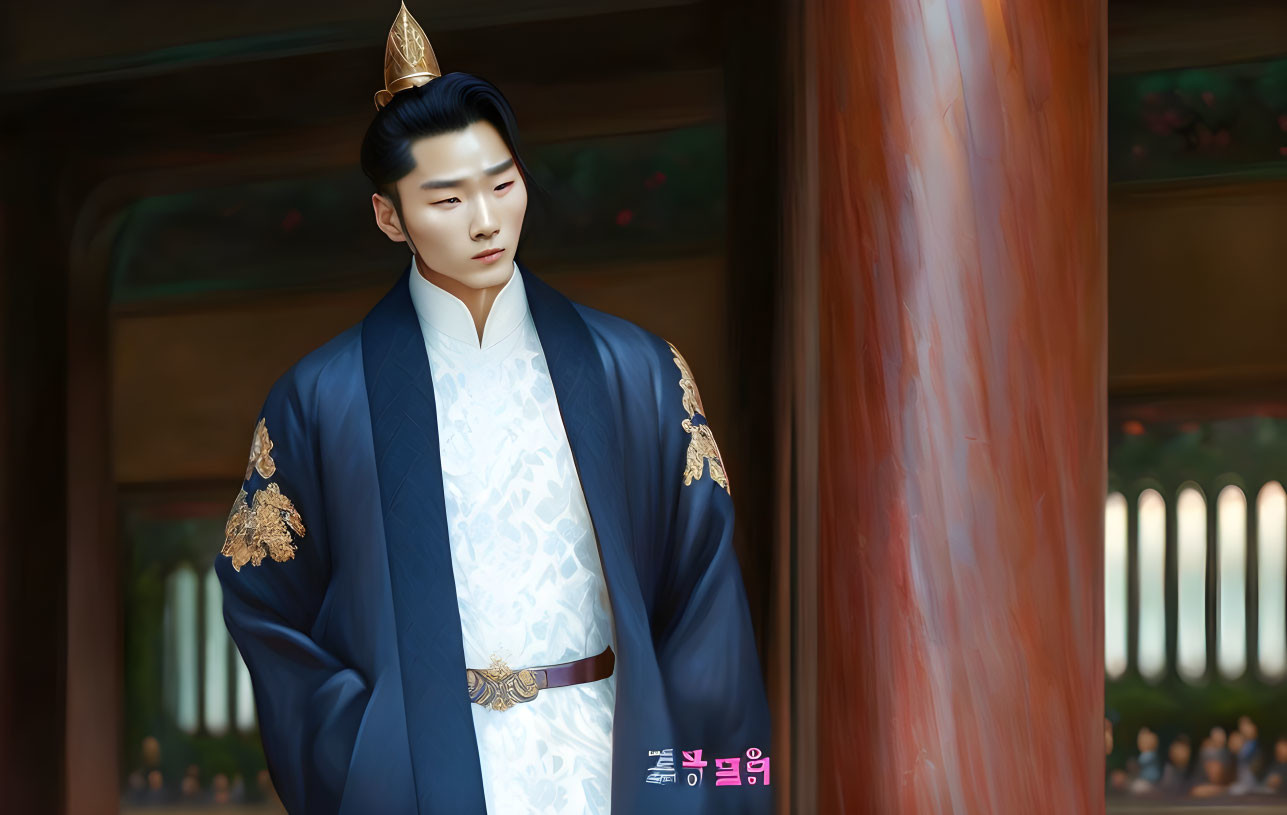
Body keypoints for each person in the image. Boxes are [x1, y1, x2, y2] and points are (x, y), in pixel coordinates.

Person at [214, 3, 771, 814]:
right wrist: (362, 747)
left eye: (502, 184)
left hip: (610, 763)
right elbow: (264, 599)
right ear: (388, 216)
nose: (485, 222)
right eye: (445, 200)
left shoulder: (638, 371)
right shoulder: (321, 398)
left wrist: (704, 785)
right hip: (420, 773)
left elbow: (703, 602)